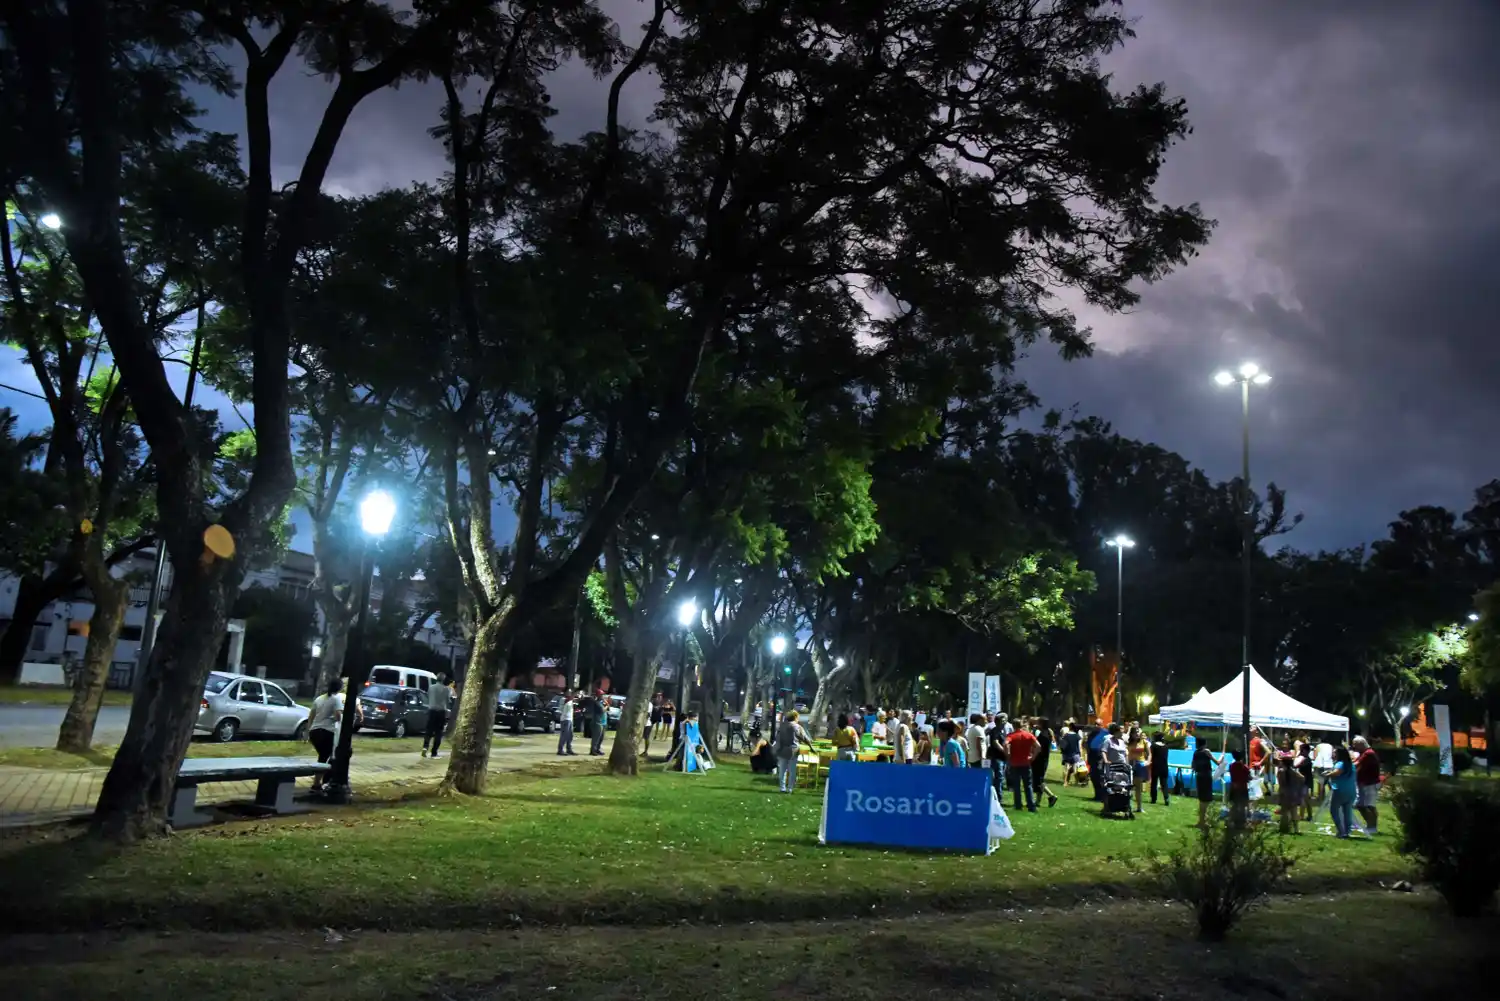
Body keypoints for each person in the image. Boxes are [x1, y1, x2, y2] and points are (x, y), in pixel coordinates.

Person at [308, 678, 348, 791]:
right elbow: (338, 716)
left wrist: (308, 732)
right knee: (330, 757)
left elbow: (311, 716)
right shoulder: (336, 699)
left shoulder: (319, 698)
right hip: (326, 732)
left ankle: (320, 782)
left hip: (314, 732)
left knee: (323, 756)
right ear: (340, 688)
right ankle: (320, 783)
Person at [772, 710, 812, 793]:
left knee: (782, 770)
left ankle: (782, 788)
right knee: (792, 770)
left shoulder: (782, 726)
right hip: (793, 750)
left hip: (782, 749)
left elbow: (777, 738)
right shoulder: (797, 727)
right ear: (795, 717)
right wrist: (810, 746)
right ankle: (790, 788)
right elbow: (805, 738)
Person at [1352, 736, 1382, 835]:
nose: (1354, 747)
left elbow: (1356, 764)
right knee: (1361, 805)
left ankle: (1373, 827)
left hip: (1370, 783)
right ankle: (1370, 825)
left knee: (1369, 806)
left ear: (1361, 744)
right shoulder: (1364, 753)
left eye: (1355, 745)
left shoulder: (1368, 753)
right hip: (1364, 783)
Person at [1006, 719, 1038, 812]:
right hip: (1026, 762)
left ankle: (1018, 805)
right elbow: (1038, 747)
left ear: (1013, 726)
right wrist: (1032, 757)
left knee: (1016, 785)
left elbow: (1005, 744)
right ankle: (1031, 805)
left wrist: (1008, 755)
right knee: (1028, 785)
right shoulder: (1028, 735)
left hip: (1015, 763)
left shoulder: (1011, 736)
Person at [421, 673, 455, 759]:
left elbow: (428, 697)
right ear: (443, 679)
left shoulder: (431, 687)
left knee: (428, 731)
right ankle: (434, 752)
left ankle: (425, 747)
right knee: (438, 733)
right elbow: (448, 701)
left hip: (431, 710)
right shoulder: (446, 689)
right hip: (441, 712)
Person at [1327, 744, 1357, 839]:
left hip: (1340, 790)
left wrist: (1327, 774)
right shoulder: (1351, 764)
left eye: (1334, 752)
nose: (1333, 754)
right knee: (1347, 812)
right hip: (1351, 791)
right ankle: (1347, 832)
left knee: (1334, 811)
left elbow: (1337, 772)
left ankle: (1341, 831)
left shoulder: (1340, 763)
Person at [1030, 718, 1058, 808]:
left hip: (1040, 760)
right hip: (1043, 760)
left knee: (1039, 781)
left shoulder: (1043, 736)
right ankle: (1038, 801)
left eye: (1038, 723)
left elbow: (1038, 747)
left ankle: (1051, 796)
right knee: (1039, 781)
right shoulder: (1046, 733)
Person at [1277, 755, 1304, 835]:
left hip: (1284, 792)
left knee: (1284, 811)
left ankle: (1284, 828)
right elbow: (1302, 778)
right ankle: (1296, 829)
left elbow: (1280, 782)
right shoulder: (1294, 771)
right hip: (1293, 793)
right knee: (1294, 812)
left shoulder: (1280, 771)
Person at [1192, 740, 1216, 828]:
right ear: (1205, 744)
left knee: (1202, 799)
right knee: (1206, 799)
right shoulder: (1206, 751)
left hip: (1199, 777)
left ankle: (1202, 820)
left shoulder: (1196, 752)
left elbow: (1193, 766)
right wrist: (1222, 756)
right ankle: (1202, 821)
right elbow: (1217, 762)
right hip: (1206, 777)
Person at [1127, 725, 1150, 813]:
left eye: (1138, 732)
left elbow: (1149, 754)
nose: (1137, 734)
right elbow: (1127, 754)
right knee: (1129, 787)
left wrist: (1148, 761)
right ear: (1132, 734)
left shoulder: (1144, 742)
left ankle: (1139, 807)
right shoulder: (1129, 743)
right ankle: (1128, 805)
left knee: (1138, 787)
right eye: (1135, 732)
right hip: (1131, 764)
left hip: (1140, 764)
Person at [1227, 748, 1251, 828]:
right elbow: (1248, 777)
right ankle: (1242, 822)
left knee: (1234, 805)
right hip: (1243, 788)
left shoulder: (1231, 766)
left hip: (1234, 788)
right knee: (1243, 805)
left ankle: (1231, 820)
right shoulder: (1245, 767)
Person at [1087, 722, 1109, 801]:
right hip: (1092, 757)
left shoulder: (1106, 733)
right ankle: (1097, 795)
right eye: (1095, 724)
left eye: (1098, 724)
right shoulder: (1091, 734)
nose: (1096, 725)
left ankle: (1103, 796)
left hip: (1101, 758)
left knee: (1100, 776)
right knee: (1093, 776)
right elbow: (1088, 745)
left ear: (1102, 725)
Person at [985, 721, 1008, 797]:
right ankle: (998, 797)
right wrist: (1005, 751)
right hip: (996, 758)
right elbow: (995, 742)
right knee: (998, 778)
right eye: (1003, 722)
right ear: (998, 722)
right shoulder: (995, 731)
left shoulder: (1001, 731)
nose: (1004, 723)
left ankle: (997, 795)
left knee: (999, 778)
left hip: (1001, 758)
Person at [1295, 741, 1316, 822]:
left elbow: (1296, 765)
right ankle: (1310, 815)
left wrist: (1297, 756)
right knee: (1306, 799)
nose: (1300, 752)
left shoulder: (1307, 760)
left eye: (1301, 750)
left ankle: (1301, 816)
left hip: (1306, 781)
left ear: (1306, 751)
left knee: (1303, 799)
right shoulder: (1305, 759)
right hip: (1305, 781)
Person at [1148, 730, 1171, 806]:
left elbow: (1151, 756)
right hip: (1164, 766)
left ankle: (1154, 799)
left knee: (1154, 783)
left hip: (1155, 765)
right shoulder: (1166, 746)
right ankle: (1166, 798)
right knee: (1164, 783)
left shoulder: (1153, 746)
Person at [556, 689, 577, 757]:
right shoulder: (564, 699)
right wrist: (575, 694)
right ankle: (560, 749)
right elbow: (568, 700)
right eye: (569, 692)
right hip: (565, 719)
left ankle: (569, 749)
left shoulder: (570, 700)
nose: (570, 693)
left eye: (570, 692)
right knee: (564, 735)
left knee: (570, 735)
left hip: (570, 719)